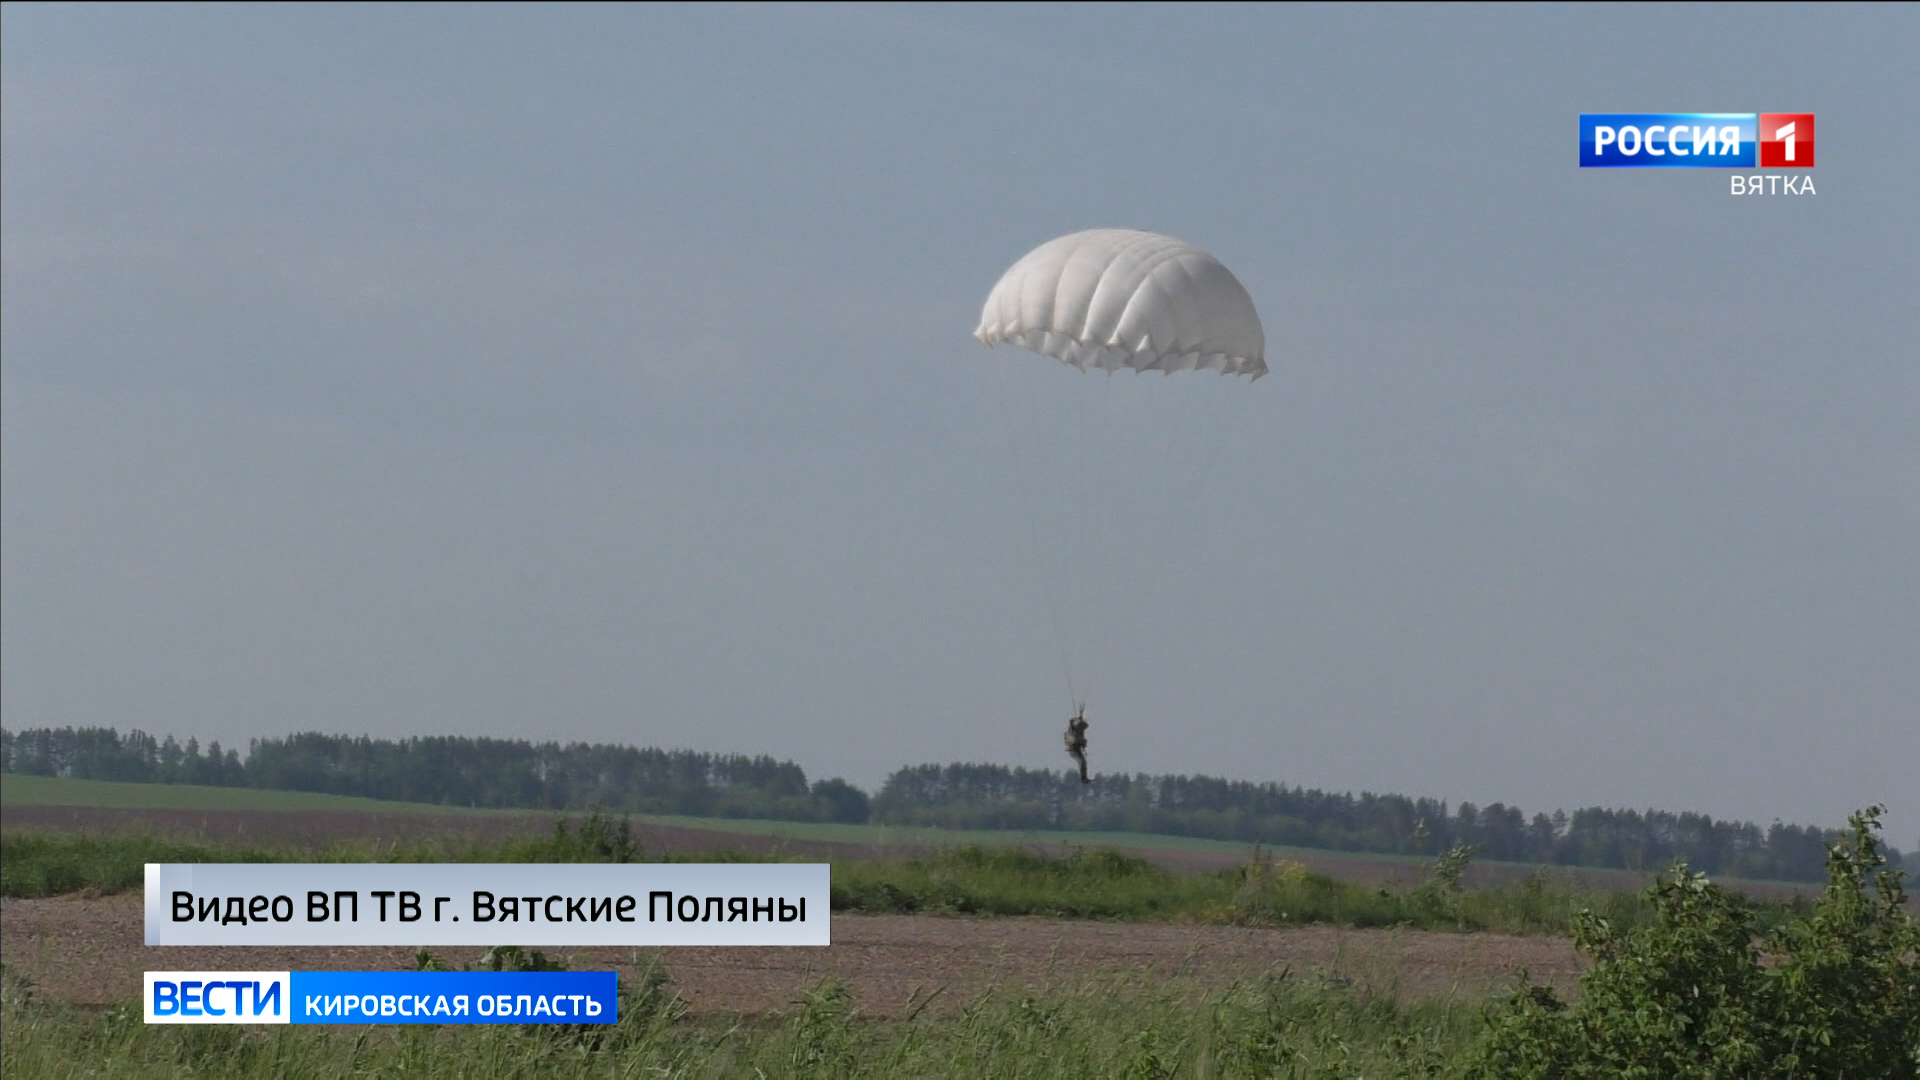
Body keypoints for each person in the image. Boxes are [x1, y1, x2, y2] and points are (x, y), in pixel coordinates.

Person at [1063, 710, 1090, 784]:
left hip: (1075, 748)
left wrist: (1079, 718)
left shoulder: (1077, 730)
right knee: (1082, 762)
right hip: (1074, 749)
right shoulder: (1075, 730)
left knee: (1082, 762)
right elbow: (1073, 722)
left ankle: (1084, 777)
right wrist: (1078, 719)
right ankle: (1083, 777)